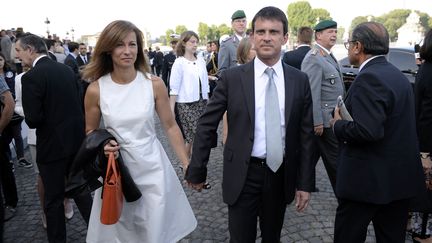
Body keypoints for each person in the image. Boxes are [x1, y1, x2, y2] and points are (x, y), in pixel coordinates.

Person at [185, 6, 315, 242]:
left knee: (272, 237)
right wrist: (197, 168)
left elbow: (306, 135)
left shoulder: (299, 80)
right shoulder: (233, 78)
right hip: (243, 174)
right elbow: (206, 124)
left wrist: (305, 183)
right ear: (252, 36)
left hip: (280, 174)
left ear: (285, 38)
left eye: (274, 32)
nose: (267, 37)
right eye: (261, 31)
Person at [82, 20, 196, 242]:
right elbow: (90, 131)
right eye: (120, 45)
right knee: (123, 231)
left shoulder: (153, 84)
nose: (127, 51)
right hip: (117, 170)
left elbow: (170, 126)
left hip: (153, 166)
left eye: (132, 44)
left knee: (155, 229)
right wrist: (103, 145)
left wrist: (185, 162)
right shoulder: (96, 90)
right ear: (108, 49)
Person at [330, 21, 425, 243]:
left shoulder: (369, 78)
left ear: (357, 46)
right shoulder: (397, 75)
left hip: (366, 182)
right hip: (397, 182)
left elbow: (368, 131)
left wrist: (337, 125)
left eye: (349, 44)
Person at [15, 33, 93, 243]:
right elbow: (79, 105)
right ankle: (100, 235)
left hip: (51, 149)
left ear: (30, 49)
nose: (17, 56)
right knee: (82, 192)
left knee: (53, 200)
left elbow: (32, 120)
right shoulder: (67, 70)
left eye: (19, 51)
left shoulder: (31, 77)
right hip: (76, 143)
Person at [301, 20, 344, 192]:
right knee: (336, 162)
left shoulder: (327, 55)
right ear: (318, 35)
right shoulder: (314, 58)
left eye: (335, 31)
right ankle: (344, 193)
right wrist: (317, 121)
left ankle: (298, 185)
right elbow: (311, 93)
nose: (334, 35)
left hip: (332, 118)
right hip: (325, 123)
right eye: (330, 32)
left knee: (309, 158)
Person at [169, 31, 210, 158]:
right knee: (197, 135)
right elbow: (174, 87)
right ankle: (192, 163)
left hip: (201, 102)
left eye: (196, 42)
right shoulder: (179, 62)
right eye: (192, 42)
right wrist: (171, 109)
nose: (195, 44)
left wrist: (207, 100)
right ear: (184, 43)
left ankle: (186, 162)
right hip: (185, 104)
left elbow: (204, 81)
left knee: (193, 137)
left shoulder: (201, 60)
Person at [409, 29, 432, 243]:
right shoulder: (428, 70)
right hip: (428, 144)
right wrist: (424, 151)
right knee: (427, 190)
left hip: (424, 142)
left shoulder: (425, 68)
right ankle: (423, 232)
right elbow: (425, 116)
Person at [218, 9, 247, 74]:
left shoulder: (253, 41)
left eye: (243, 21)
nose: (241, 23)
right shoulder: (226, 44)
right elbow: (222, 72)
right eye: (238, 21)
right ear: (232, 24)